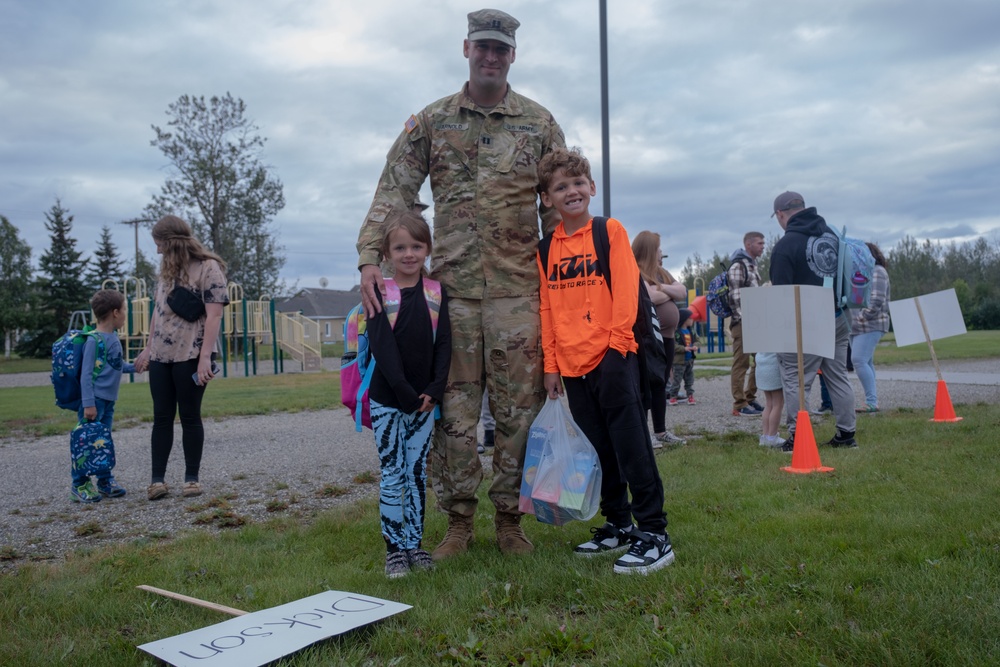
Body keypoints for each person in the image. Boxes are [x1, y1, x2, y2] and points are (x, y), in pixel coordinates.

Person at [356, 9, 565, 560]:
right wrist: (368, 258)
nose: (490, 57)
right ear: (466, 49)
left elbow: (559, 211)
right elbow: (395, 188)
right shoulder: (433, 121)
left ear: (512, 56)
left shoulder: (539, 124)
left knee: (519, 412)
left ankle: (509, 524)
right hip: (451, 298)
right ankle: (457, 524)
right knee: (453, 413)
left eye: (501, 49)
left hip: (519, 293)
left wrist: (568, 289)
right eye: (482, 47)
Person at [537, 147, 674, 575]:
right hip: (572, 367)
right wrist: (551, 365)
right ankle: (618, 524)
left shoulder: (608, 231)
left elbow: (626, 291)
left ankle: (654, 534)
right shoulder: (546, 250)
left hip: (613, 358)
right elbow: (547, 309)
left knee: (632, 445)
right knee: (599, 450)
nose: (571, 191)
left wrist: (617, 348)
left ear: (592, 188)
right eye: (561, 186)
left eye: (578, 183)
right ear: (547, 199)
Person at [366, 212, 452, 579]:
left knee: (417, 473)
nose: (409, 253)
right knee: (393, 472)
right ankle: (394, 549)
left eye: (417, 246)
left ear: (427, 249)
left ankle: (415, 544)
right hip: (388, 398)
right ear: (386, 252)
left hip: (423, 401)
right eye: (400, 247)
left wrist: (434, 390)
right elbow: (382, 347)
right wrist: (402, 390)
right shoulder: (380, 293)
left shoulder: (436, 292)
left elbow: (444, 343)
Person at [134, 215, 230, 500]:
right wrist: (149, 347)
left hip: (191, 354)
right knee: (161, 417)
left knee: (189, 416)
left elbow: (214, 316)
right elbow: (158, 311)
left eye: (159, 244)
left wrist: (204, 358)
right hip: (162, 356)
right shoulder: (166, 270)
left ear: (171, 242)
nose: (157, 250)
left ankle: (191, 479)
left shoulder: (209, 268)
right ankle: (157, 481)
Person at [770, 192, 857, 450]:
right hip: (839, 315)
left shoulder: (786, 246)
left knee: (797, 378)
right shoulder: (831, 235)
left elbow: (781, 294)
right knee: (838, 376)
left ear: (780, 215)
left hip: (805, 322)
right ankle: (846, 434)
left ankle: (799, 437)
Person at [70, 289, 141, 502]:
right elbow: (85, 376)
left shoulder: (113, 337)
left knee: (103, 441)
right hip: (94, 402)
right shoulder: (94, 340)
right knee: (85, 443)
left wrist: (136, 367)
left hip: (108, 401)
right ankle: (79, 484)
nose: (126, 314)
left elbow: (115, 366)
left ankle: (104, 481)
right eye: (125, 310)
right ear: (116, 312)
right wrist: (89, 404)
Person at [631, 231, 686, 447]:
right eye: (659, 249)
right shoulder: (634, 271)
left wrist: (661, 288)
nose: (661, 253)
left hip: (668, 337)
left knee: (661, 382)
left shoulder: (661, 272)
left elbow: (682, 292)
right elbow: (648, 298)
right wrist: (664, 293)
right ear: (649, 250)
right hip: (648, 339)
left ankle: (661, 432)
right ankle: (645, 433)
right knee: (647, 383)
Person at [851, 242, 890, 413]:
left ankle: (871, 402)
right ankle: (872, 401)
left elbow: (876, 300)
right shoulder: (862, 272)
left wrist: (861, 317)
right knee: (866, 361)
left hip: (870, 324)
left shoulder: (877, 272)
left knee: (858, 360)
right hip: (857, 326)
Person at [729, 232, 765, 416]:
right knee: (741, 363)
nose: (763, 246)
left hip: (754, 321)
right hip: (742, 322)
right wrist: (743, 318)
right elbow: (735, 296)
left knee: (760, 360)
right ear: (748, 245)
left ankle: (750, 397)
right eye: (760, 243)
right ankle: (739, 404)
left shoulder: (752, 265)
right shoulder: (739, 265)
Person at [668, 309, 699, 405]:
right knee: (677, 380)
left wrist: (696, 345)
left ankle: (690, 396)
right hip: (679, 362)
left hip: (689, 360)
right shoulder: (676, 332)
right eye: (690, 318)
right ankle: (673, 397)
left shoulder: (691, 331)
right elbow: (673, 345)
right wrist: (684, 348)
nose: (692, 320)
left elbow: (697, 340)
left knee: (689, 379)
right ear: (684, 319)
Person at [754, 351, 784, 447]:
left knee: (769, 404)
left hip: (762, 365)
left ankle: (765, 436)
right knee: (777, 404)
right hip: (773, 366)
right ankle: (772, 437)